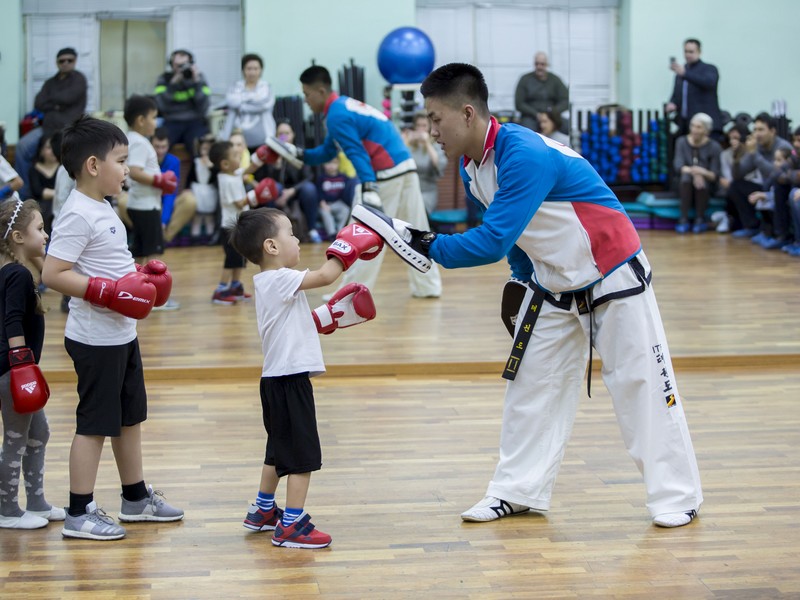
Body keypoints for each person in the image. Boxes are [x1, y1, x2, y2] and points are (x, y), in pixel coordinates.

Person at [402, 63, 703, 527]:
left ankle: (677, 497)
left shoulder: (522, 154)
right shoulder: (471, 168)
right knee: (530, 388)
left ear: (466, 114)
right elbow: (519, 240)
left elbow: (490, 241)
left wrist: (425, 245)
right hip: (553, 283)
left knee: (642, 386)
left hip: (613, 274)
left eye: (435, 119)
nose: (430, 130)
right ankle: (517, 491)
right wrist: (520, 282)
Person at [41, 115, 184, 541]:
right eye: (121, 161)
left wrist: (138, 275)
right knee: (95, 424)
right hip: (95, 339)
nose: (127, 169)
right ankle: (79, 511)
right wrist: (106, 291)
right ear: (92, 165)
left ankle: (135, 497)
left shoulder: (102, 206)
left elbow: (104, 264)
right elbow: (53, 272)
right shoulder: (77, 214)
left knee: (128, 418)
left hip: (121, 334)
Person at [227, 208, 382, 548]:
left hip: (276, 379)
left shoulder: (272, 283)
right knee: (302, 455)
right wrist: (348, 246)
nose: (297, 239)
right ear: (271, 246)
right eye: (291, 233)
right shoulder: (279, 278)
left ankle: (263, 510)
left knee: (278, 448)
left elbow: (292, 322)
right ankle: (292, 525)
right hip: (289, 380)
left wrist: (328, 317)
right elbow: (327, 276)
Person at [257, 65, 441, 297]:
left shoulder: (336, 115)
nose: (305, 100)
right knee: (415, 231)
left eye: (307, 94)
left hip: (385, 173)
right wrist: (295, 152)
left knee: (361, 234)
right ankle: (429, 287)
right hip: (405, 165)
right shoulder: (342, 107)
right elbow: (326, 153)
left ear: (321, 91)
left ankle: (351, 293)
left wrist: (369, 186)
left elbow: (357, 153)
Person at [0, 198, 65, 530]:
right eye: (40, 229)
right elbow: (12, 321)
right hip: (14, 372)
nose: (46, 234)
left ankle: (36, 502)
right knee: (15, 437)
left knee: (39, 431)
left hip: (17, 370)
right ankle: (7, 510)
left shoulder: (19, 273)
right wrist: (21, 366)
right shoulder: (18, 276)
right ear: (18, 238)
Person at [122, 95, 181, 312]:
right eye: (153, 117)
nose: (156, 123)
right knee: (153, 253)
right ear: (140, 120)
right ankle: (153, 297)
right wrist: (160, 180)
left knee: (143, 251)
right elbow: (135, 172)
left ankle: (140, 293)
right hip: (145, 205)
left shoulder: (135, 140)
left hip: (144, 203)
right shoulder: (139, 141)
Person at [15, 48, 87, 199]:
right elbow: (38, 102)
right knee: (22, 147)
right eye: (62, 60)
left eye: (70, 60)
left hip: (67, 130)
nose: (66, 63)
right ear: (57, 62)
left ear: (75, 61)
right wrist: (57, 104)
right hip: (46, 128)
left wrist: (52, 102)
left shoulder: (79, 79)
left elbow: (69, 98)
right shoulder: (50, 82)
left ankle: (74, 196)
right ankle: (24, 197)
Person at [208, 140, 275, 304]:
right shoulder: (226, 180)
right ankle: (221, 290)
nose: (239, 157)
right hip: (230, 227)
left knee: (240, 258)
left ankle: (235, 286)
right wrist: (257, 195)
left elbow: (247, 169)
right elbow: (239, 203)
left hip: (239, 225)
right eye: (236, 156)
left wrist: (261, 158)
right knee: (231, 260)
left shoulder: (232, 173)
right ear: (225, 164)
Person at [250, 120, 321, 243]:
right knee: (273, 187)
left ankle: (312, 229)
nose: (284, 137)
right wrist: (275, 167)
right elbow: (264, 180)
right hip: (277, 190)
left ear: (293, 135)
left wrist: (292, 190)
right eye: (280, 134)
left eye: (287, 133)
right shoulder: (269, 154)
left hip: (296, 190)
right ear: (276, 136)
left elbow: (309, 176)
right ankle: (272, 230)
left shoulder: (300, 152)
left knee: (309, 188)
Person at [730, 113, 793, 241]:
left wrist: (754, 154)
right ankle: (752, 226)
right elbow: (738, 175)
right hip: (765, 187)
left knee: (774, 187)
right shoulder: (756, 147)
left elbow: (775, 174)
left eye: (761, 130)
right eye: (755, 130)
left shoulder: (783, 147)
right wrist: (737, 157)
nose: (757, 134)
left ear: (772, 131)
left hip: (779, 188)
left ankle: (778, 234)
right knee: (735, 186)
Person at [154, 49, 211, 157]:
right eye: (178, 65)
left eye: (184, 65)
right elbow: (161, 106)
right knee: (159, 148)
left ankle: (196, 174)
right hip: (172, 121)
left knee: (199, 149)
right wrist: (173, 84)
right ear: (171, 65)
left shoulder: (199, 78)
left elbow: (204, 107)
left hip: (194, 121)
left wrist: (196, 83)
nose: (181, 69)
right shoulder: (164, 79)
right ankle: (158, 173)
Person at [671, 112, 722, 233]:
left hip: (707, 183)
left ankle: (700, 219)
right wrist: (695, 172)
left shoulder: (715, 147)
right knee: (686, 178)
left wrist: (702, 173)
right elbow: (678, 165)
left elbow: (714, 174)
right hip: (684, 181)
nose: (694, 130)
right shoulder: (681, 141)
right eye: (692, 126)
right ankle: (683, 219)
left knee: (701, 181)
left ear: (706, 130)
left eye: (698, 127)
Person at [666, 39, 723, 140]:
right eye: (686, 51)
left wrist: (685, 74)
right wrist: (672, 103)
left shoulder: (709, 69)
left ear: (699, 52)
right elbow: (677, 95)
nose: (688, 55)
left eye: (691, 52)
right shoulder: (680, 74)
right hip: (686, 125)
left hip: (706, 126)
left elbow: (709, 83)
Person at [151, 127, 197, 245]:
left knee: (190, 200)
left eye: (164, 147)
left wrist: (163, 221)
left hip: (166, 202)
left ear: (168, 146)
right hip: (149, 202)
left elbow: (170, 193)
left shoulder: (173, 161)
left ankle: (163, 239)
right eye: (157, 147)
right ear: (150, 145)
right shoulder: (145, 161)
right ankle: (152, 237)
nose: (160, 151)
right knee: (123, 200)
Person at [221, 53, 276, 151]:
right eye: (249, 68)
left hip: (263, 140)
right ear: (243, 70)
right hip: (237, 140)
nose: (252, 72)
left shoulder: (266, 87)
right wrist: (254, 99)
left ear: (261, 70)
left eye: (256, 68)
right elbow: (231, 101)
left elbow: (264, 105)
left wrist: (241, 105)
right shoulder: (235, 86)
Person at [746, 147, 793, 249]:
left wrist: (764, 195)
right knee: (762, 202)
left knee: (770, 202)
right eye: (775, 160)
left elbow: (783, 195)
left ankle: (781, 236)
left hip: (782, 207)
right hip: (774, 204)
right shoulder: (775, 175)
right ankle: (767, 233)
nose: (775, 163)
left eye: (779, 160)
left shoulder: (786, 177)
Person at [402, 112, 448, 215]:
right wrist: (406, 142)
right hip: (409, 191)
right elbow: (399, 162)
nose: (420, 129)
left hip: (426, 194)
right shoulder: (410, 143)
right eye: (418, 125)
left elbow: (439, 164)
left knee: (415, 210)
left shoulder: (435, 145)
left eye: (424, 126)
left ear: (429, 128)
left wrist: (427, 143)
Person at [514, 52, 569, 133]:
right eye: (537, 64)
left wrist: (552, 113)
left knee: (568, 127)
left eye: (542, 64)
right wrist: (536, 114)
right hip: (530, 116)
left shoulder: (555, 80)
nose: (539, 67)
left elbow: (565, 100)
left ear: (547, 64)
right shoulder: (525, 79)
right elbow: (519, 103)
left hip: (552, 116)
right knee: (527, 134)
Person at [716, 124, 756, 233]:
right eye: (731, 138)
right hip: (732, 184)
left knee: (735, 187)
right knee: (732, 187)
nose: (733, 142)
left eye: (737, 138)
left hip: (749, 183)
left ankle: (729, 218)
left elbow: (752, 175)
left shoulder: (750, 152)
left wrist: (739, 154)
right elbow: (727, 174)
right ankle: (731, 219)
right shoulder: (725, 154)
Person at [187, 134, 219, 242]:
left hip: (209, 192)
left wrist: (210, 166)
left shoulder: (213, 165)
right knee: (197, 218)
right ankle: (195, 238)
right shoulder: (195, 162)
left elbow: (215, 176)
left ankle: (209, 237)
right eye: (203, 149)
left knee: (209, 218)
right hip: (198, 191)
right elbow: (190, 176)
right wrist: (187, 188)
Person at [316, 156, 356, 238]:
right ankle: (332, 233)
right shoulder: (321, 178)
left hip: (339, 202)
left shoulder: (343, 177)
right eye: (328, 163)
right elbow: (319, 192)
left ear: (338, 164)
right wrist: (322, 203)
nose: (331, 166)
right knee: (325, 213)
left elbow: (346, 192)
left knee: (345, 210)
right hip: (326, 203)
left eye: (334, 163)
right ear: (323, 164)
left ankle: (340, 232)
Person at [27, 134, 60, 233]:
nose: (53, 150)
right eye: (49, 147)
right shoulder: (34, 169)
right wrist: (59, 193)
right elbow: (38, 192)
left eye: (54, 147)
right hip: (42, 206)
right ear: (41, 150)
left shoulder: (63, 168)